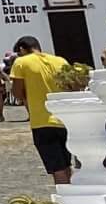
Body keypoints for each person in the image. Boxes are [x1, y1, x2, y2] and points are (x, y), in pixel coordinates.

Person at [9, 33, 74, 184]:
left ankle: (65, 201)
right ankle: (73, 195)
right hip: (64, 119)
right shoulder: (60, 60)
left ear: (22, 49)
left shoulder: (21, 62)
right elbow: (71, 85)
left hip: (42, 120)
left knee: (57, 168)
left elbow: (17, 92)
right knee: (66, 165)